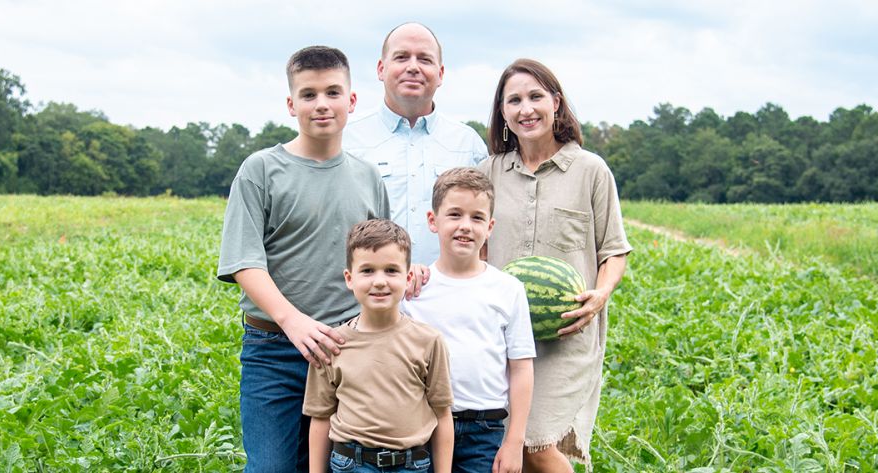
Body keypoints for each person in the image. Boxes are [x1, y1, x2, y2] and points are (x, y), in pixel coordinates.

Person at [217, 45, 389, 473]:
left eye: (333, 92)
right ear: (291, 104)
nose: (321, 104)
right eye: (308, 94)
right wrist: (293, 323)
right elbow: (244, 262)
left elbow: (381, 264)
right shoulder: (260, 170)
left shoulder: (368, 177)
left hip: (347, 350)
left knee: (341, 465)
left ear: (351, 100)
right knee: (271, 467)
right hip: (273, 350)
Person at [477, 59, 632, 472]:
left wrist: (600, 294)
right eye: (514, 100)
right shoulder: (489, 172)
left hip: (566, 333)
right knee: (509, 447)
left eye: (535, 97)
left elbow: (614, 250)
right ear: (503, 111)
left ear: (556, 103)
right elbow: (475, 247)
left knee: (535, 441)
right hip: (502, 336)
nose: (526, 109)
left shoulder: (590, 170)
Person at [404, 168, 536, 473]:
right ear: (433, 221)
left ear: (490, 227)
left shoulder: (508, 289)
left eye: (477, 218)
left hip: (483, 430)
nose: (465, 225)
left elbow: (521, 368)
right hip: (422, 426)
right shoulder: (414, 289)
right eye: (454, 214)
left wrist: (514, 441)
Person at [305, 219, 454, 473]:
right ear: (349, 278)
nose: (380, 281)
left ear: (408, 277)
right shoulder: (331, 344)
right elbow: (320, 417)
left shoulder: (429, 341)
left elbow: (442, 414)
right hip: (351, 463)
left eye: (391, 270)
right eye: (367, 271)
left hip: (412, 464)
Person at [345, 22, 489, 266]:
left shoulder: (468, 145)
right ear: (381, 69)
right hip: (372, 287)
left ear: (440, 74)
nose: (413, 67)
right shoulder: (348, 140)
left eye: (424, 59)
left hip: (447, 288)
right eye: (401, 57)